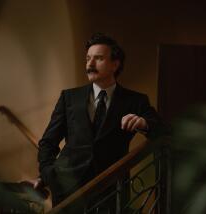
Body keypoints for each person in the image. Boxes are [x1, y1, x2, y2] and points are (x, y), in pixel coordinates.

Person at [37, 33, 169, 208]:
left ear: (115, 64)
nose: (90, 64)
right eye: (88, 59)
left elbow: (163, 132)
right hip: (67, 190)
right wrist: (49, 176)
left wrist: (144, 123)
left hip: (111, 190)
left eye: (98, 58)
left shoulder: (135, 101)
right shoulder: (69, 97)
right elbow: (48, 142)